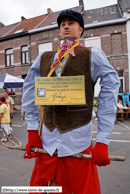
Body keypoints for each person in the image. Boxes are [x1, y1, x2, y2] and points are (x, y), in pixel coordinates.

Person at [22, 9, 120, 194]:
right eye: (62, 24)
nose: (66, 27)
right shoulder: (44, 58)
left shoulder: (93, 54)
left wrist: (102, 141)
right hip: (48, 144)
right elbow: (29, 91)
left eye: (71, 23)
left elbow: (110, 90)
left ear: (80, 29)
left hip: (76, 144)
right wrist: (32, 130)